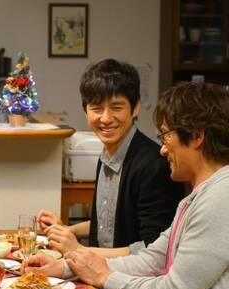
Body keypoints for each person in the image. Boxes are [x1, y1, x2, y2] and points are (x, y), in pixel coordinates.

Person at [4, 82, 229, 289]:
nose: (162, 149)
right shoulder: (197, 197)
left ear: (196, 136)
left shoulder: (221, 198)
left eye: (166, 136)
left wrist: (104, 278)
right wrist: (67, 267)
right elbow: (151, 260)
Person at [37, 59, 184, 259]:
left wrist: (79, 250)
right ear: (86, 111)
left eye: (116, 107)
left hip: (128, 276)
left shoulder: (154, 165)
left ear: (135, 108)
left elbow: (154, 250)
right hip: (98, 271)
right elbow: (108, 224)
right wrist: (67, 230)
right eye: (97, 109)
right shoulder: (107, 155)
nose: (106, 118)